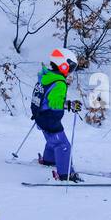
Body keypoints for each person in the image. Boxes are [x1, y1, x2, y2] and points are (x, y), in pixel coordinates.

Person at [30, 47, 84, 182]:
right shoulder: (59, 83)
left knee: (52, 139)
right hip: (49, 118)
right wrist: (70, 105)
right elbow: (55, 104)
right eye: (71, 67)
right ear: (64, 65)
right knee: (63, 144)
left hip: (39, 116)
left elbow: (46, 98)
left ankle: (49, 160)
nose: (71, 71)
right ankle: (65, 174)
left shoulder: (45, 76)